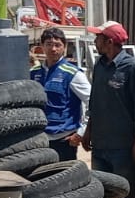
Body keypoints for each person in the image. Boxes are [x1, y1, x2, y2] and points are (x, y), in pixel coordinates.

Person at [80, 20, 135, 198]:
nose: (95, 41)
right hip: (101, 145)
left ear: (109, 42)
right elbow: (95, 101)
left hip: (123, 147)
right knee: (100, 192)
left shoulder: (132, 68)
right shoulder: (100, 66)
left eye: (98, 38)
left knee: (124, 193)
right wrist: (88, 132)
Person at [30, 26, 91, 161]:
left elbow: (93, 103)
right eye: (49, 44)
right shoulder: (34, 73)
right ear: (42, 46)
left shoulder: (72, 73)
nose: (53, 49)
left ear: (64, 46)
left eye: (58, 45)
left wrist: (81, 132)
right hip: (39, 139)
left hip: (64, 140)